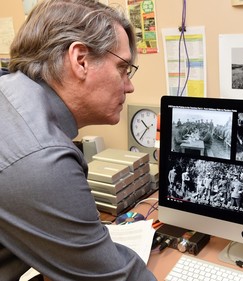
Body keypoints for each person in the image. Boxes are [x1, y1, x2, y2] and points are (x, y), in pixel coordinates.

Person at [0, 1, 156, 280]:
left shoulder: (9, 92)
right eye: (122, 68)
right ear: (80, 60)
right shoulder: (42, 157)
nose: (129, 85)